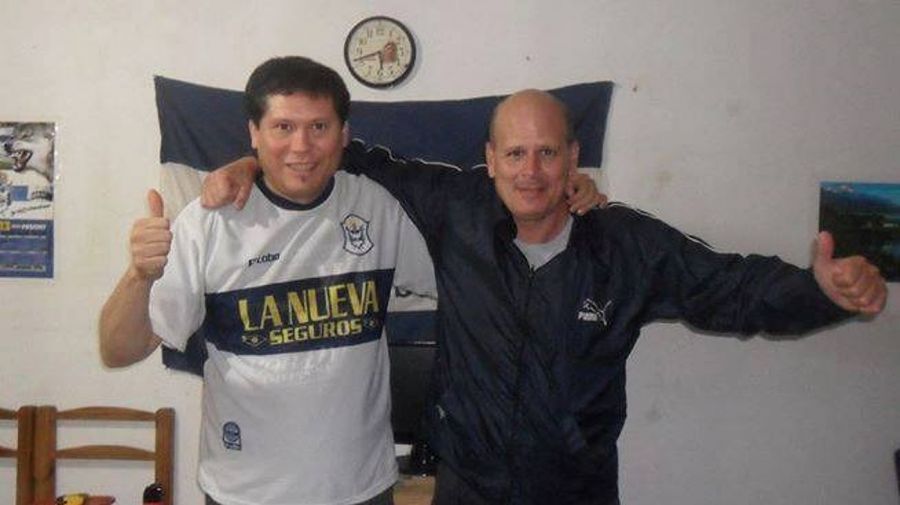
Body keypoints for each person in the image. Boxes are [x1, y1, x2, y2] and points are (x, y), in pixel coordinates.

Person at [204, 89, 887, 505]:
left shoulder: (625, 244)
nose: (531, 172)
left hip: (575, 489)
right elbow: (342, 154)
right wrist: (251, 163)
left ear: (573, 158)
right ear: (490, 158)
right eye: (516, 154)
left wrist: (819, 291)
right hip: (466, 488)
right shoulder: (457, 211)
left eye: (548, 154)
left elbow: (732, 288)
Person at [99, 57, 604, 505]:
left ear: (344, 134)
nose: (301, 146)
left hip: (362, 490)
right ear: (254, 132)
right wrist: (139, 275)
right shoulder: (209, 220)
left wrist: (561, 192)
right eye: (283, 127)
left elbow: (491, 234)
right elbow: (118, 349)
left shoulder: (380, 206)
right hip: (244, 492)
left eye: (318, 127)